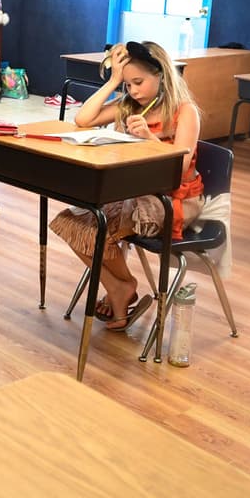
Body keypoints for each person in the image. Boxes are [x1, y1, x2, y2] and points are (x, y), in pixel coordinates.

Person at [48, 41, 203, 330]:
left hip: (172, 200)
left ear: (161, 75)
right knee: (69, 222)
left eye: (139, 82)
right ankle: (120, 285)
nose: (133, 91)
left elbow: (180, 168)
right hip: (132, 193)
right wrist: (113, 81)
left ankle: (119, 291)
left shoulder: (185, 111)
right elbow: (82, 119)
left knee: (98, 226)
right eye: (128, 84)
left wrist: (150, 139)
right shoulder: (129, 106)